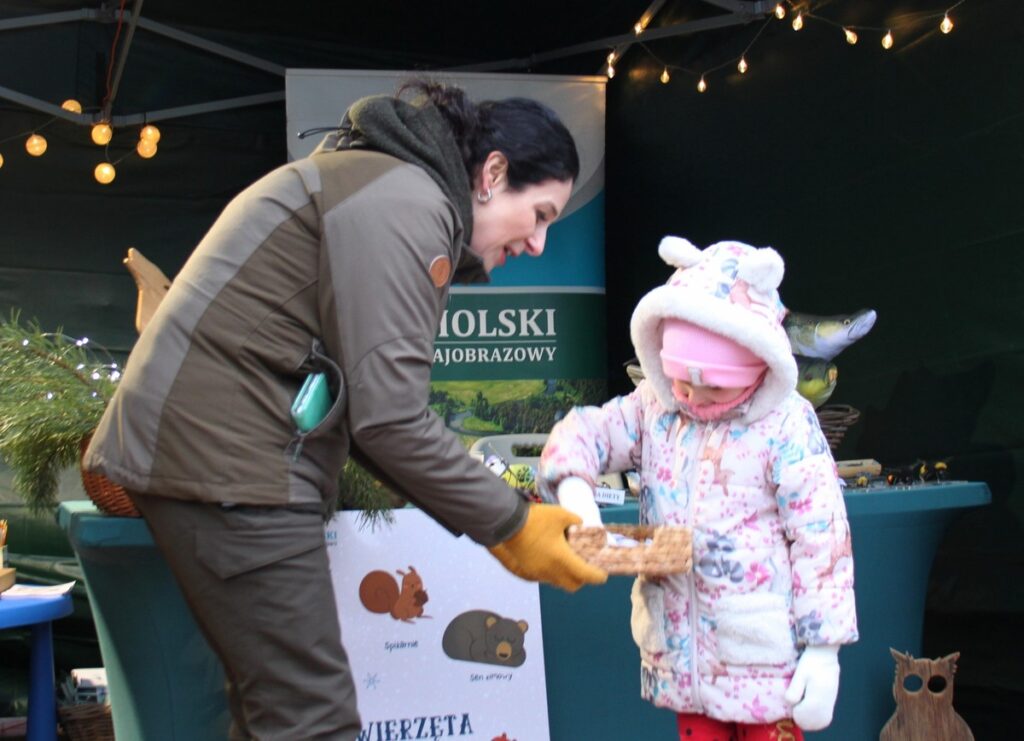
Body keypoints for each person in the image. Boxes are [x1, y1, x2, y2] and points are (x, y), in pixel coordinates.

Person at [83, 79, 606, 740]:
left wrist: (502, 519)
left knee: (276, 711)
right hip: (232, 466)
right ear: (493, 172)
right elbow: (388, 418)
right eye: (541, 215)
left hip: (227, 460)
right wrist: (511, 524)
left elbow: (367, 409)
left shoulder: (385, 185)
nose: (538, 244)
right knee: (311, 719)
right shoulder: (405, 200)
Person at [539, 236, 858, 741]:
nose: (693, 397)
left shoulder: (786, 426)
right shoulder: (654, 406)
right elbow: (587, 431)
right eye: (684, 383)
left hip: (765, 656)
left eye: (714, 385)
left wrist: (825, 648)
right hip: (682, 658)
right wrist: (575, 490)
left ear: (759, 361)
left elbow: (823, 536)